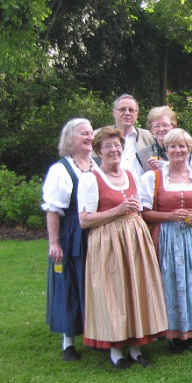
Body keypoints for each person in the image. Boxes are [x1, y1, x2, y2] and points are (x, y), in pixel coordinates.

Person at [78, 127, 167, 369]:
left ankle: (136, 348)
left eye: (117, 145)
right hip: (108, 241)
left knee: (136, 289)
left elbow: (138, 207)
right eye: (107, 146)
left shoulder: (130, 174)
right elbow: (84, 220)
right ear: (98, 151)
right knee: (114, 293)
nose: (114, 150)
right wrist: (117, 211)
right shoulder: (90, 179)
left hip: (134, 238)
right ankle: (116, 351)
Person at [141, 128, 192, 355]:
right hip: (166, 237)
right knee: (170, 282)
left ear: (188, 148)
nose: (178, 150)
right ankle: (172, 334)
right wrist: (169, 216)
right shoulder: (152, 177)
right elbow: (144, 212)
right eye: (173, 146)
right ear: (166, 149)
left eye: (182, 146)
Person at [42, 118, 95, 361]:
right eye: (83, 133)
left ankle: (94, 332)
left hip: (95, 231)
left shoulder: (97, 164)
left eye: (91, 133)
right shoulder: (61, 169)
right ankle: (68, 341)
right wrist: (55, 243)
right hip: (72, 232)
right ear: (69, 139)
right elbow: (53, 209)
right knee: (70, 283)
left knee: (92, 283)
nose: (89, 137)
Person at [97, 94, 153, 176]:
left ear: (137, 115)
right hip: (110, 185)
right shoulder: (100, 136)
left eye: (131, 110)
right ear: (114, 113)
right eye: (123, 109)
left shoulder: (149, 137)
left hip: (141, 187)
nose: (127, 113)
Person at [136, 105, 177, 175]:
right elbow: (137, 181)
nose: (161, 129)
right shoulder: (142, 155)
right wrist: (149, 173)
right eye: (157, 126)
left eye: (165, 125)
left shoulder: (184, 151)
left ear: (172, 126)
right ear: (151, 129)